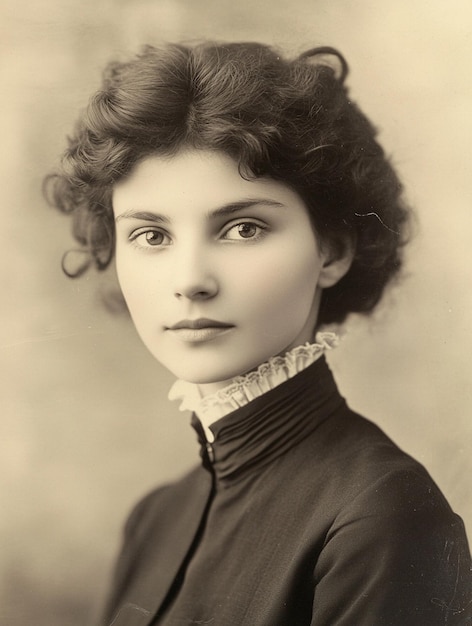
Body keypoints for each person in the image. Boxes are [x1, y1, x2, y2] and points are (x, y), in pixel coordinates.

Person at [46, 42, 472, 625]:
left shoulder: (383, 516)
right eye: (151, 236)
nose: (190, 280)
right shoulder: (155, 518)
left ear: (334, 249)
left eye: (243, 228)